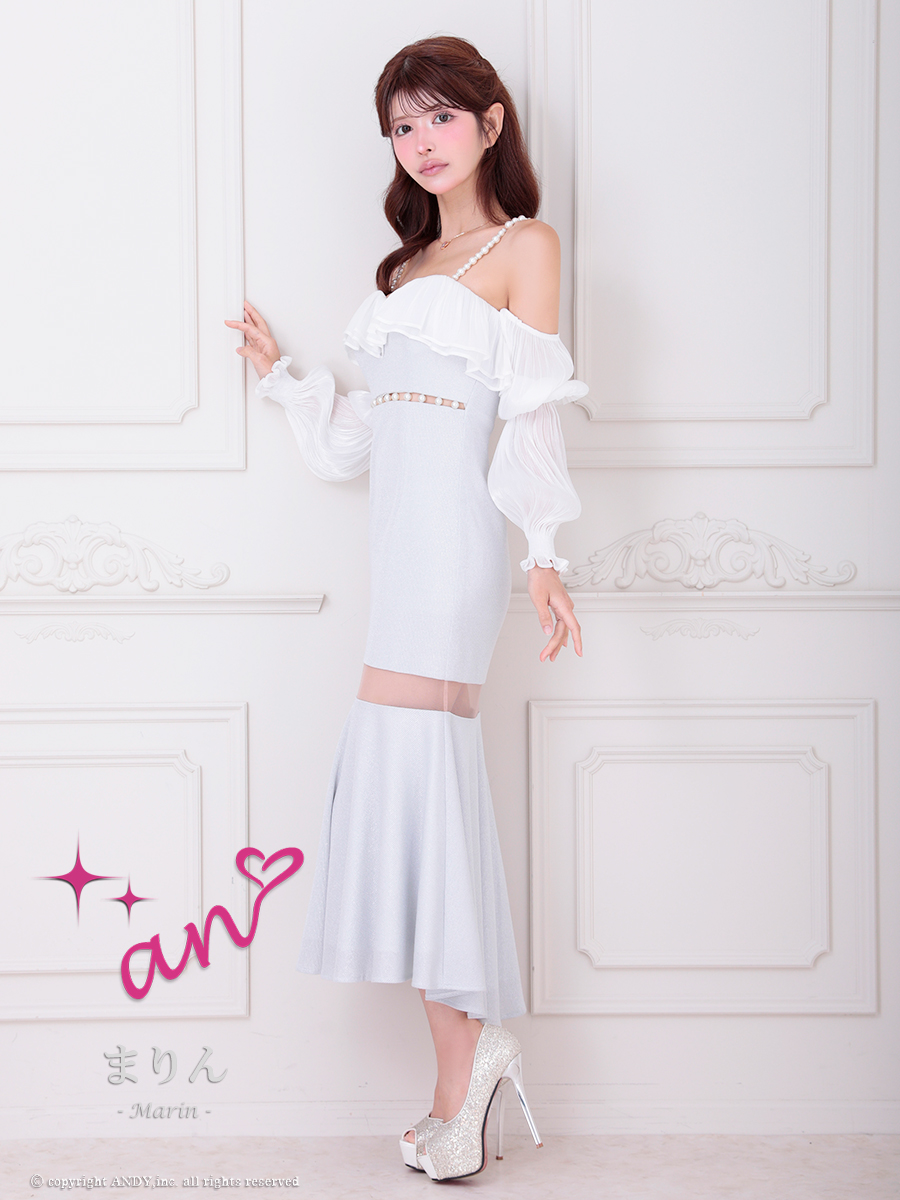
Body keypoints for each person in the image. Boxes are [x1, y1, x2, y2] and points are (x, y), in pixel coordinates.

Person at [225, 35, 585, 1182]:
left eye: (440, 117)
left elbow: (532, 412)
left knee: (418, 788)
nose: (421, 142)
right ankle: (465, 1067)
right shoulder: (401, 276)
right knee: (413, 793)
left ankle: (463, 1073)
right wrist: (284, 375)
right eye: (401, 125)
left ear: (490, 121)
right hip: (400, 560)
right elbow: (361, 445)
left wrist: (543, 556)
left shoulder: (527, 247)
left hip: (460, 558)